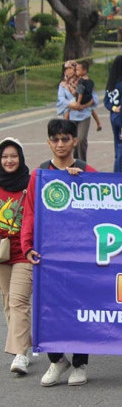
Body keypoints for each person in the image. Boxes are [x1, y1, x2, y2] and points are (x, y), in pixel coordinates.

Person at [22, 119, 97, 386]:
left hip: (80, 255)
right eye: (55, 139)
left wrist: (82, 181)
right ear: (48, 142)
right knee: (48, 308)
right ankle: (57, 360)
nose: (61, 144)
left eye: (66, 139)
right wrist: (27, 245)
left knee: (80, 308)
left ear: (75, 141)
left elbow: (100, 213)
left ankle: (80, 363)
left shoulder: (88, 171)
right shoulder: (40, 174)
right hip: (48, 254)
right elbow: (30, 212)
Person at [0, 138, 32, 376]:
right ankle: (25, 343)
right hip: (1, 253)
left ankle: (20, 354)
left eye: (13, 156)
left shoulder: (30, 184)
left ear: (20, 158)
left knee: (18, 301)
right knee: (8, 300)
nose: (9, 161)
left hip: (24, 251)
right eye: (4, 157)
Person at [104, 58, 122, 173]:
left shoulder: (110, 83)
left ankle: (117, 169)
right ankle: (121, 171)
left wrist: (112, 108)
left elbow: (106, 101)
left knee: (117, 145)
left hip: (113, 116)